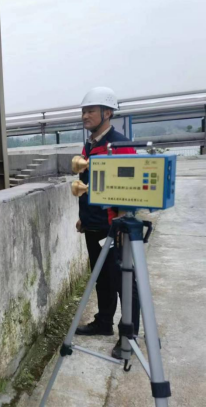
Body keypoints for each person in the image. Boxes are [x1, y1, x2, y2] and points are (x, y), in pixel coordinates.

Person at [74, 87, 141, 359]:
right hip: (94, 225)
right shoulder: (90, 144)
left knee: (124, 280)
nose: (85, 116)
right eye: (83, 111)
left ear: (108, 113)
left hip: (114, 226)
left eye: (91, 111)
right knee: (100, 277)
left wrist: (123, 225)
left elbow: (130, 188)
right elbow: (88, 183)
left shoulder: (120, 145)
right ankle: (103, 322)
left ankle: (129, 335)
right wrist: (84, 217)